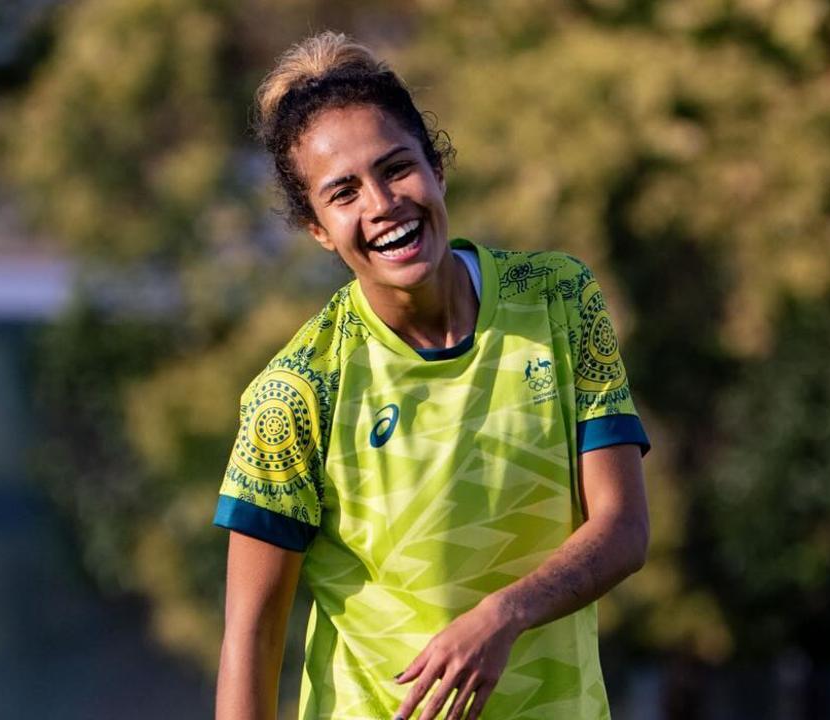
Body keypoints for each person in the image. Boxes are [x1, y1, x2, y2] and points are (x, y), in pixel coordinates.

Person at [214, 31, 651, 720]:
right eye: (344, 193)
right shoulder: (295, 394)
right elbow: (251, 635)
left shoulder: (560, 301)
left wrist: (503, 615)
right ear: (318, 229)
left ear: (437, 167)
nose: (383, 204)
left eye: (397, 168)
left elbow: (623, 528)